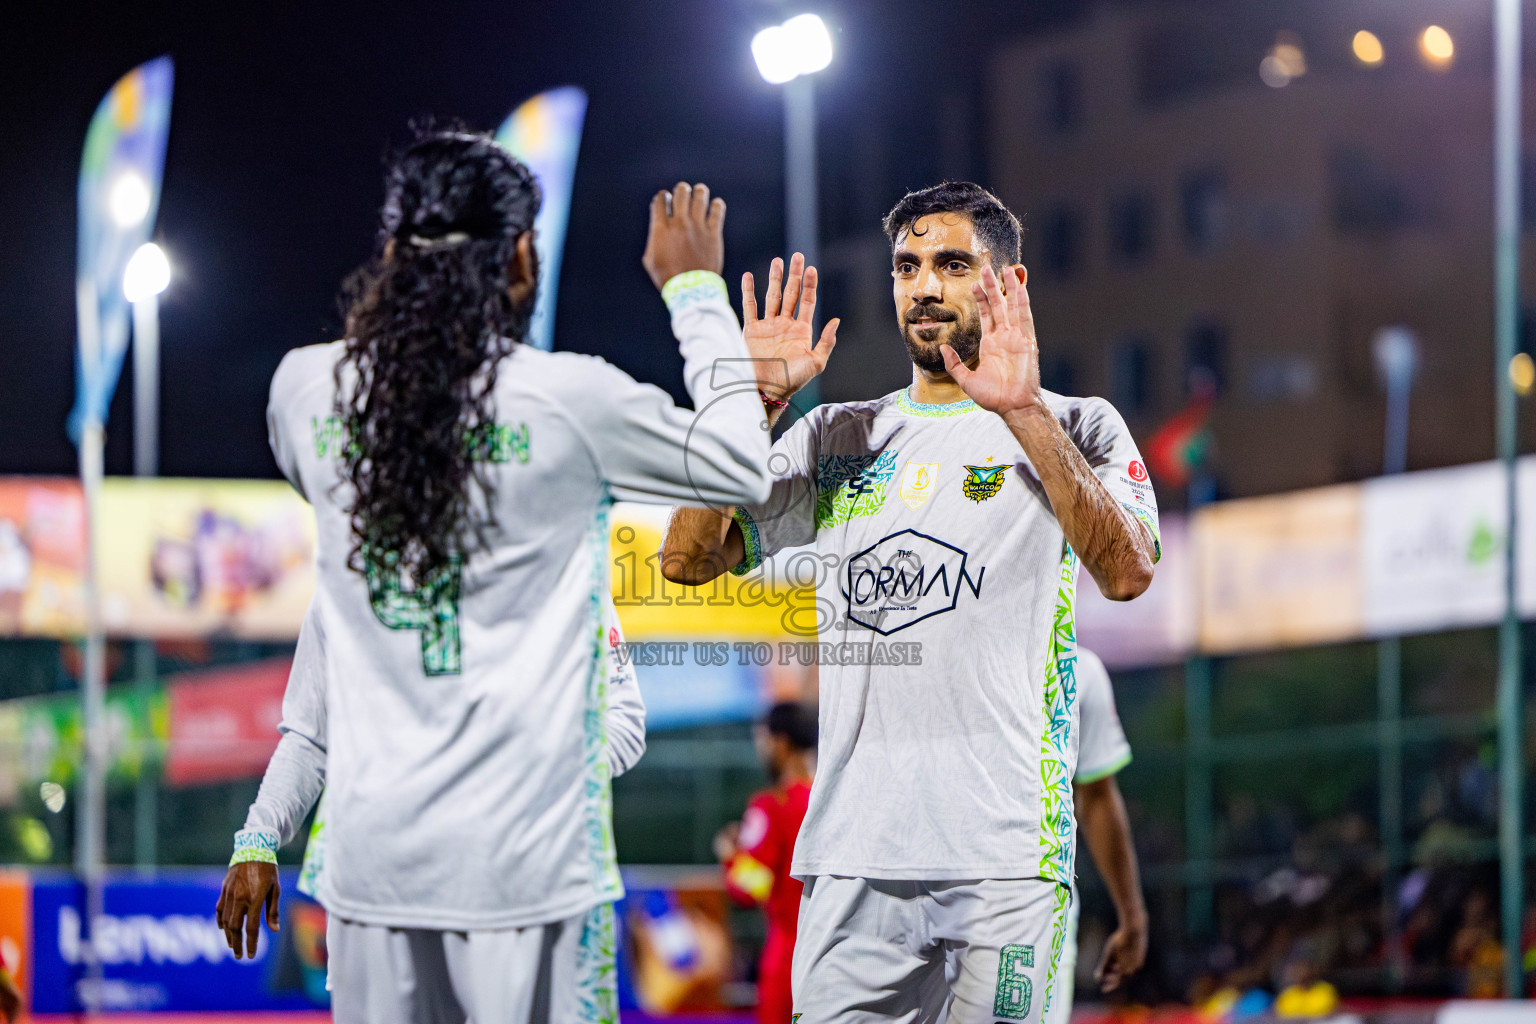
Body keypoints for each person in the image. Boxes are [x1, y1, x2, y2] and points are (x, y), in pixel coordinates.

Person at [213, 126, 797, 1023]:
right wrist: (693, 290)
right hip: (529, 880)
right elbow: (740, 467)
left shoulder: (302, 391)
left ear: (392, 255)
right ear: (521, 257)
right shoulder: (569, 400)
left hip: (374, 884)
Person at [660, 181, 1159, 1024]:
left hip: (1003, 860)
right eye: (907, 266)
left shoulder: (1079, 424)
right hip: (853, 861)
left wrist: (1023, 410)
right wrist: (748, 410)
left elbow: (1127, 571)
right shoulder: (835, 436)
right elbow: (684, 561)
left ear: (1008, 283)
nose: (924, 286)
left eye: (952, 264)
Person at [216, 595, 646, 1023]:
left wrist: (522, 778)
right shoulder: (345, 577)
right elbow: (310, 737)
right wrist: (258, 838)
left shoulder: (559, 566)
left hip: (515, 892)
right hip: (376, 893)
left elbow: (621, 720)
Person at [1046, 647, 1146, 1024]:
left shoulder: (1079, 670)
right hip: (896, 881)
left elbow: (1097, 796)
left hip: (1032, 895)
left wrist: (1132, 915)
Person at [714, 702, 817, 1024]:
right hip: (834, 956)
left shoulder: (770, 806)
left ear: (780, 742)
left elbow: (751, 888)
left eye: (761, 740)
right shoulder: (828, 800)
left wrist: (732, 857)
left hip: (786, 961)